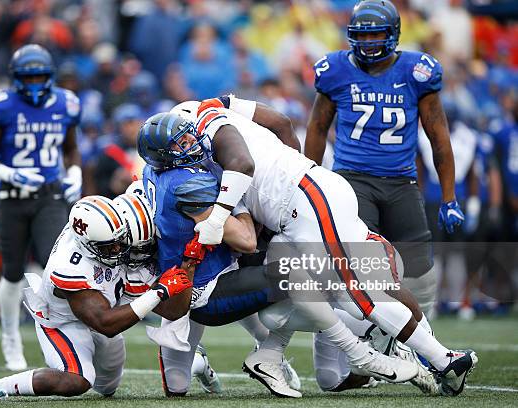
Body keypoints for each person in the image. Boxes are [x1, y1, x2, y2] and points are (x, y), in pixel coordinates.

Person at [164, 96, 477, 397]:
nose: (184, 149)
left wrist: (226, 213)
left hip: (306, 199)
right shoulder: (217, 109)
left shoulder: (205, 120)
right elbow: (282, 123)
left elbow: (243, 163)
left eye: (184, 141)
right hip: (299, 204)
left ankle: (440, 359)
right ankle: (270, 355)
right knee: (282, 304)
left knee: (362, 292)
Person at [304, 0, 463, 317]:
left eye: (375, 35)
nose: (368, 42)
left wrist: (449, 197)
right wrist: (305, 178)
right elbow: (318, 128)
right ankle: (372, 344)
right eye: (361, 36)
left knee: (419, 268)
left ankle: (419, 336)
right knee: (365, 265)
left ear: (393, 34)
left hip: (402, 181)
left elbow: (439, 137)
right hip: (352, 181)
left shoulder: (417, 72)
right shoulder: (336, 70)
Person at [0, 194, 192, 402]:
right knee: (77, 380)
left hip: (105, 310)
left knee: (108, 387)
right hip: (63, 322)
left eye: (122, 241)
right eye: (111, 246)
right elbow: (105, 323)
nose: (120, 250)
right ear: (89, 246)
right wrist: (159, 292)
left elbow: (174, 311)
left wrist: (188, 267)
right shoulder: (71, 268)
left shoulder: (109, 229)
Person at [0, 44, 83, 370]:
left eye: (40, 76)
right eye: (28, 77)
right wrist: (10, 173)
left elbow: (71, 149)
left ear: (49, 76)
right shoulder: (1, 106)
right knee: (11, 271)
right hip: (11, 197)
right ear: (16, 78)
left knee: (57, 269)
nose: (35, 82)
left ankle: (62, 338)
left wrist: (75, 173)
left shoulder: (66, 103)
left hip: (50, 196)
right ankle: (10, 337)